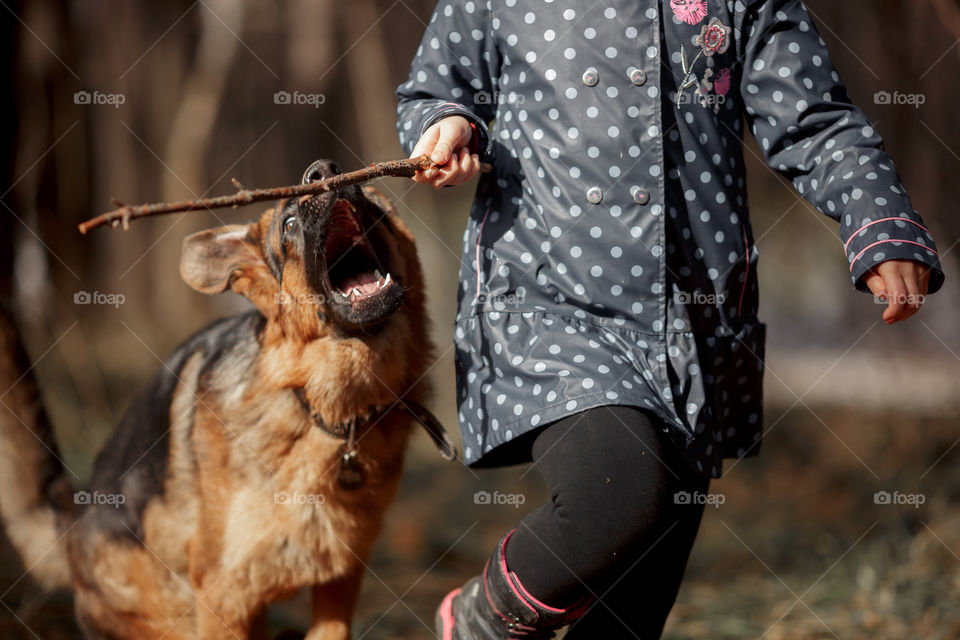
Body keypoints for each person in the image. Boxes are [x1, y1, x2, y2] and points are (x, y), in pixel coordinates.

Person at [395, 1, 945, 637]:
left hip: (691, 321)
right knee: (621, 496)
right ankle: (481, 617)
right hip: (548, 297)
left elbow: (813, 120)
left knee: (633, 603)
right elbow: (437, 87)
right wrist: (449, 124)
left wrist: (881, 222)